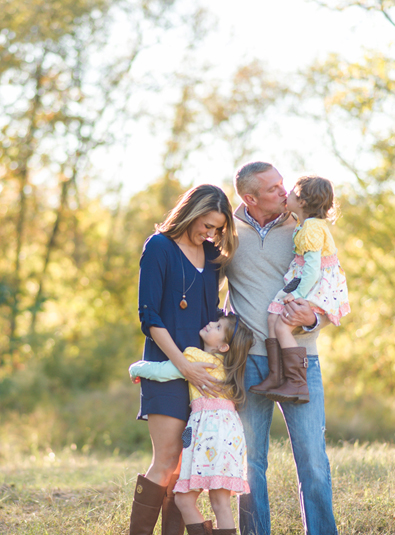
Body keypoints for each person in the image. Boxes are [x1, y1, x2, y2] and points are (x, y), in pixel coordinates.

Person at [224, 162, 338, 535]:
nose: (283, 191)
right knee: (250, 463)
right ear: (249, 198)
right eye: (273, 188)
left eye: (282, 184)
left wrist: (311, 320)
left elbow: (330, 288)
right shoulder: (227, 232)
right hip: (246, 362)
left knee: (313, 463)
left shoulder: (305, 226)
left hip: (299, 359)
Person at [130, 184, 238, 535]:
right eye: (206, 225)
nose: (210, 234)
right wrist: (183, 365)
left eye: (217, 228)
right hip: (168, 367)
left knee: (182, 472)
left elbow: (211, 312)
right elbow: (150, 318)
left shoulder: (210, 256)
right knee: (165, 463)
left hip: (203, 377)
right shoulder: (159, 247)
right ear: (191, 212)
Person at [129, 312, 254, 535]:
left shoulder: (195, 357)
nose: (210, 324)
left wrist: (137, 368)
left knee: (185, 500)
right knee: (219, 503)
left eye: (217, 327)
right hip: (230, 437)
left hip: (208, 435)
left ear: (224, 346)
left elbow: (164, 372)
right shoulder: (230, 369)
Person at [252, 175, 350, 404]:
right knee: (272, 318)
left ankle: (297, 382)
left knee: (283, 325)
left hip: (313, 284)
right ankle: (275, 375)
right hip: (301, 279)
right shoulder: (304, 223)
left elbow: (313, 269)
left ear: (304, 202)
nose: (287, 195)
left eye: (293, 194)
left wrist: (297, 295)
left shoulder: (313, 228)